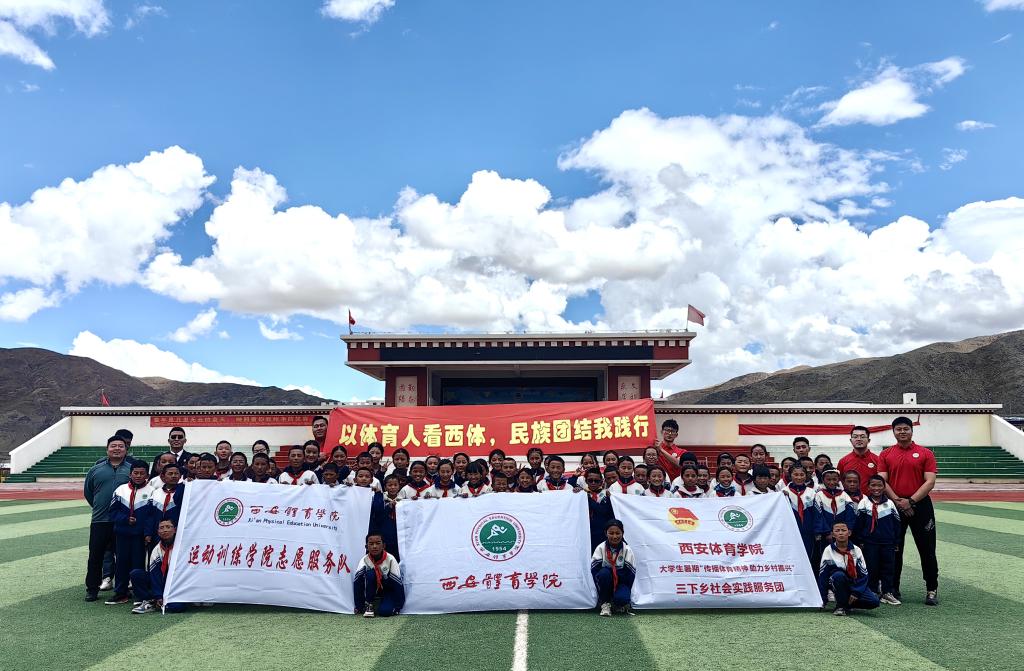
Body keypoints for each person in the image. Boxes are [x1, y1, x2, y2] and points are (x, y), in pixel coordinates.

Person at [877, 416, 938, 605]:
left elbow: (930, 481)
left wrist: (910, 501)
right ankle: (893, 588)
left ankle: (932, 589)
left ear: (912, 430)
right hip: (895, 506)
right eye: (899, 429)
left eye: (906, 429)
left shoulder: (925, 453)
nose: (902, 432)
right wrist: (898, 501)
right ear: (893, 431)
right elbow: (882, 481)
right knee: (894, 549)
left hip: (921, 505)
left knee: (927, 548)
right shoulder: (886, 454)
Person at [83, 436, 134, 601]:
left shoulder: (131, 470)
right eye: (113, 446)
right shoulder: (95, 470)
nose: (117, 449)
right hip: (100, 520)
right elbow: (88, 492)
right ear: (107, 449)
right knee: (95, 556)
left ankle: (122, 589)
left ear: (126, 450)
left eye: (121, 446)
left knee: (123, 556)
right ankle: (92, 588)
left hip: (123, 520)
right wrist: (100, 507)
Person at [107, 461, 154, 605]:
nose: (138, 476)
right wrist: (125, 519)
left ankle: (140, 594)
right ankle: (121, 592)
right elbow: (112, 512)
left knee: (138, 564)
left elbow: (151, 516)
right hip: (122, 534)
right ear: (130, 474)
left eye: (142, 473)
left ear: (147, 475)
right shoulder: (120, 490)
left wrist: (147, 533)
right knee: (121, 563)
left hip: (140, 536)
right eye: (136, 473)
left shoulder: (152, 491)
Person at [856, 475, 902, 605]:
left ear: (884, 487)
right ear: (868, 487)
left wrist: (896, 541)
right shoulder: (864, 503)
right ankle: (872, 591)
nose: (876, 488)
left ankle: (887, 592)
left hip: (887, 542)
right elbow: (859, 524)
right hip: (870, 542)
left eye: (880, 485)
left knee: (888, 567)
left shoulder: (890, 504)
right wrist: (861, 540)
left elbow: (897, 524)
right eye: (873, 485)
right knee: (872, 567)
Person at [818, 521, 879, 616]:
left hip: (854, 583)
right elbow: (823, 576)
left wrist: (856, 592)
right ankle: (840, 606)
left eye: (843, 530)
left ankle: (847, 603)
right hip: (836, 582)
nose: (841, 533)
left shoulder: (856, 550)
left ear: (849, 533)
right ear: (833, 534)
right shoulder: (828, 550)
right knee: (838, 575)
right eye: (837, 531)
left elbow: (864, 574)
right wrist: (822, 599)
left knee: (874, 601)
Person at [129, 518, 186, 614]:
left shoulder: (183, 547)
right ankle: (150, 600)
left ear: (175, 530)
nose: (165, 530)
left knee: (176, 607)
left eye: (168, 527)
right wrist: (158, 595)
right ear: (158, 532)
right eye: (161, 528)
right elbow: (155, 575)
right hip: (162, 582)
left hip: (178, 584)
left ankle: (162, 601)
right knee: (136, 574)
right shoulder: (157, 550)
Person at [813, 468, 855, 571]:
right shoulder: (819, 495)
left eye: (834, 479)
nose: (831, 482)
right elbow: (818, 515)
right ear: (823, 480)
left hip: (842, 534)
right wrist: (827, 532)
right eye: (828, 479)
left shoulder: (844, 495)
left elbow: (850, 514)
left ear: (838, 480)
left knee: (842, 557)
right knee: (826, 557)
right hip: (826, 536)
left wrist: (847, 529)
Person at [354, 533, 404, 618]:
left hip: (387, 591)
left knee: (385, 612)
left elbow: (397, 584)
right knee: (370, 574)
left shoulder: (390, 559)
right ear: (366, 547)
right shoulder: (364, 561)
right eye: (371, 544)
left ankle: (385, 604)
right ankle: (369, 604)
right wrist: (359, 606)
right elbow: (357, 584)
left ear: (383, 545)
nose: (374, 546)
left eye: (378, 543)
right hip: (370, 591)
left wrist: (398, 606)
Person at [591, 519, 635, 616]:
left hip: (621, 582)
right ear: (606, 533)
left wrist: (625, 589)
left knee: (622, 598)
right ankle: (605, 603)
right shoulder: (601, 548)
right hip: (605, 581)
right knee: (604, 573)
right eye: (611, 533)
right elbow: (594, 571)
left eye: (617, 533)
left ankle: (618, 602)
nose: (614, 536)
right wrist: (600, 588)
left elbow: (631, 575)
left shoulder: (627, 550)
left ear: (622, 533)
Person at [781, 464, 818, 561]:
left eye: (802, 474)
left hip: (808, 531)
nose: (799, 477)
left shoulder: (812, 492)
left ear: (806, 475)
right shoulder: (783, 492)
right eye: (796, 474)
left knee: (808, 556)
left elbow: (817, 513)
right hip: (790, 531)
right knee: (792, 557)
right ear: (790, 476)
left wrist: (817, 530)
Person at [147, 462, 184, 542]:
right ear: (163, 476)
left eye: (176, 474)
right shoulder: (156, 493)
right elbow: (150, 515)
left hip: (177, 533)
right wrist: (148, 533)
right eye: (170, 474)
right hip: (157, 533)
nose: (173, 476)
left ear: (180, 476)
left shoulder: (184, 492)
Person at [838, 426, 880, 495]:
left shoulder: (878, 460)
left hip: (871, 499)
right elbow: (839, 482)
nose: (859, 439)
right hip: (849, 499)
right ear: (851, 440)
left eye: (862, 437)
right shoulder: (843, 461)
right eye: (855, 437)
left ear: (869, 440)